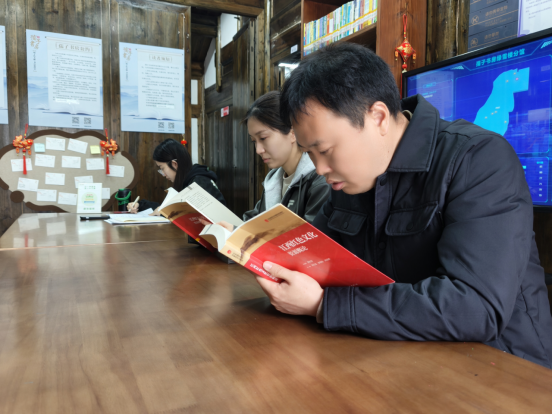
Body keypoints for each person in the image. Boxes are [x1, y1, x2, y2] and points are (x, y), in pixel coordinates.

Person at [254, 43, 552, 369]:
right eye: (310, 153)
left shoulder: (479, 159)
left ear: (378, 117)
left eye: (324, 150)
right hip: (403, 357)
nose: (320, 168)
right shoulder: (350, 178)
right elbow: (313, 257)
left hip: (501, 368)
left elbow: (475, 308)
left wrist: (325, 304)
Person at [243, 91, 330, 223]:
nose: (258, 150)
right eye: (254, 141)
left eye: (263, 138)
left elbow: (311, 233)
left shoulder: (320, 181)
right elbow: (254, 221)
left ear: (293, 132)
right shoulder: (273, 180)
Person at [128, 138, 226, 214]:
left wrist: (164, 213)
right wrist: (140, 205)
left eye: (162, 168)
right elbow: (167, 207)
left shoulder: (199, 183)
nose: (163, 174)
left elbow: (193, 217)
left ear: (174, 164)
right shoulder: (187, 180)